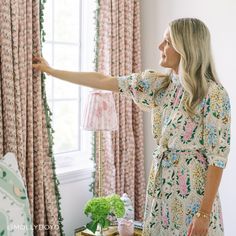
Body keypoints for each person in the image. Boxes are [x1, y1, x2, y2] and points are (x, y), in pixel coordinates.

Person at [33, 18, 231, 236]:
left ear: (186, 47)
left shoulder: (213, 95)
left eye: (167, 41)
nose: (160, 46)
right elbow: (103, 80)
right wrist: (51, 71)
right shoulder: (161, 85)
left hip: (193, 199)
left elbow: (217, 159)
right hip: (160, 193)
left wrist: (203, 214)